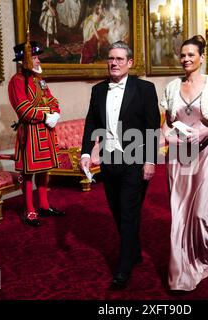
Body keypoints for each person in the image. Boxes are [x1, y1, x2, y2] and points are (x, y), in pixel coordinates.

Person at [80, 41, 161, 290]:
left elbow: (152, 126)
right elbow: (91, 122)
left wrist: (150, 160)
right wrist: (85, 152)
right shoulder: (98, 90)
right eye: (110, 58)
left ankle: (123, 267)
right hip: (109, 160)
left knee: (127, 212)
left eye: (118, 59)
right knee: (117, 210)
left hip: (135, 161)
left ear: (129, 62)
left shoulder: (145, 89)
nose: (113, 63)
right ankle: (133, 249)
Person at [160, 35, 208, 291]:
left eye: (191, 55)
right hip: (179, 156)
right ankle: (181, 271)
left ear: (202, 58)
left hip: (204, 153)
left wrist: (204, 133)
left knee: (201, 212)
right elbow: (167, 122)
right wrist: (164, 136)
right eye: (182, 55)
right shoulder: (171, 87)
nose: (186, 59)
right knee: (179, 214)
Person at [8, 40, 66, 227]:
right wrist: (46, 113)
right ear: (24, 60)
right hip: (30, 134)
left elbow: (53, 100)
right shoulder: (17, 82)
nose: (38, 60)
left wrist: (55, 113)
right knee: (28, 173)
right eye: (34, 57)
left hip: (46, 132)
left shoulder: (39, 80)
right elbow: (24, 110)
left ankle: (44, 205)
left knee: (44, 170)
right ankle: (29, 210)